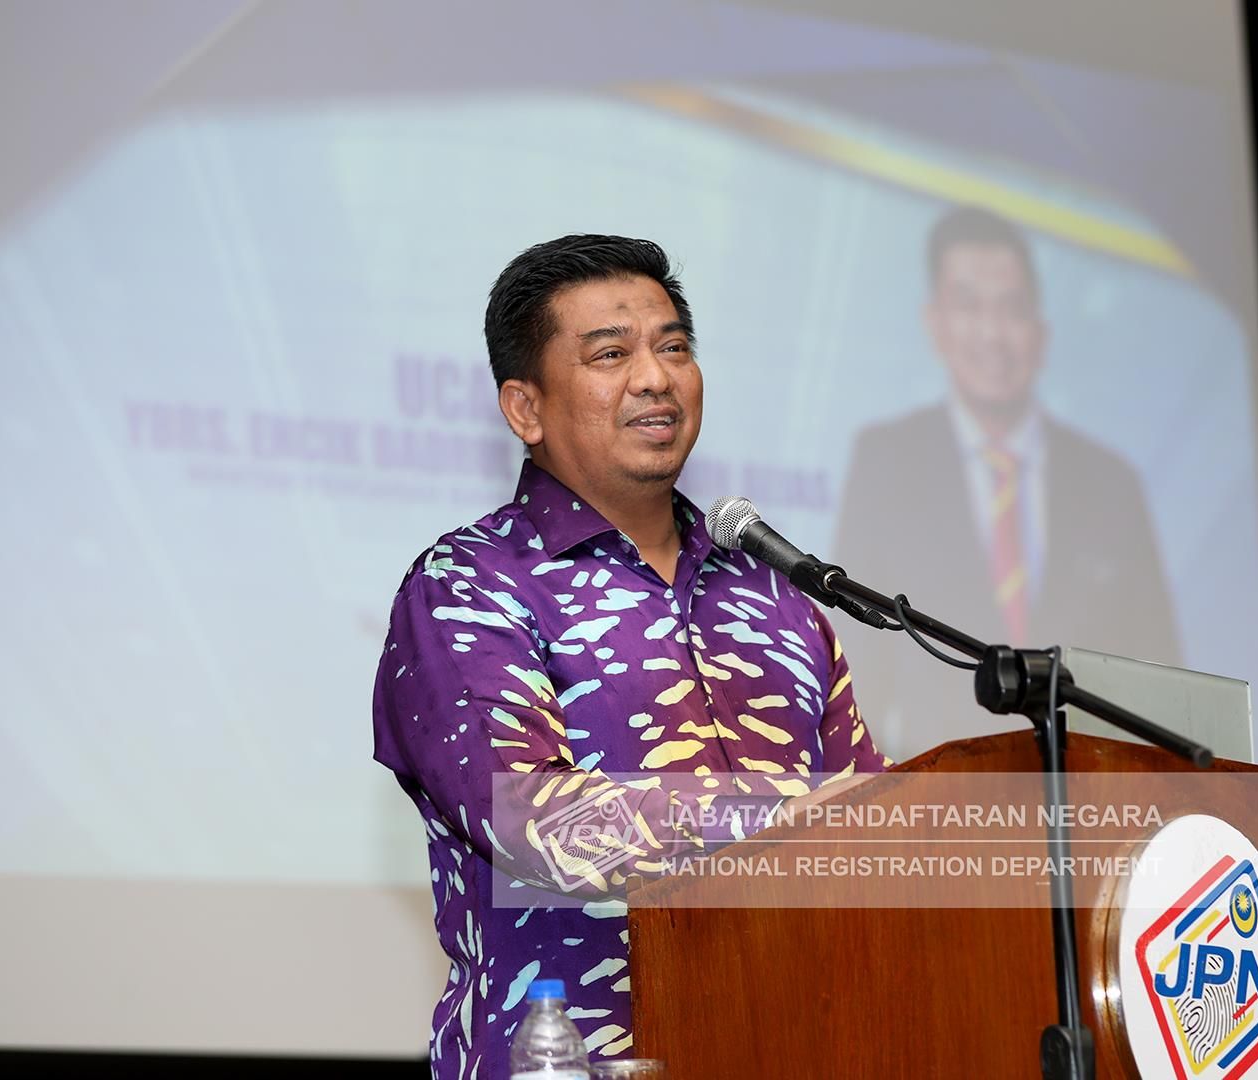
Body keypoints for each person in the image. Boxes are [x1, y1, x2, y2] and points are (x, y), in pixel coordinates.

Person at [373, 235, 889, 1078]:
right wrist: (796, 816)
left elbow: (874, 829)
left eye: (674, 347)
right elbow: (534, 823)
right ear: (525, 409)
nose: (656, 377)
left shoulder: (777, 594)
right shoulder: (469, 586)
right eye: (611, 354)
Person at [831, 207, 1179, 751]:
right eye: (969, 306)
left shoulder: (1112, 483)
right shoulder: (885, 461)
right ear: (935, 323)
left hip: (1096, 784)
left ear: (1040, 331)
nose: (993, 334)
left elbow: (1162, 671)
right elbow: (860, 664)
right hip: (941, 786)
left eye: (1012, 308)